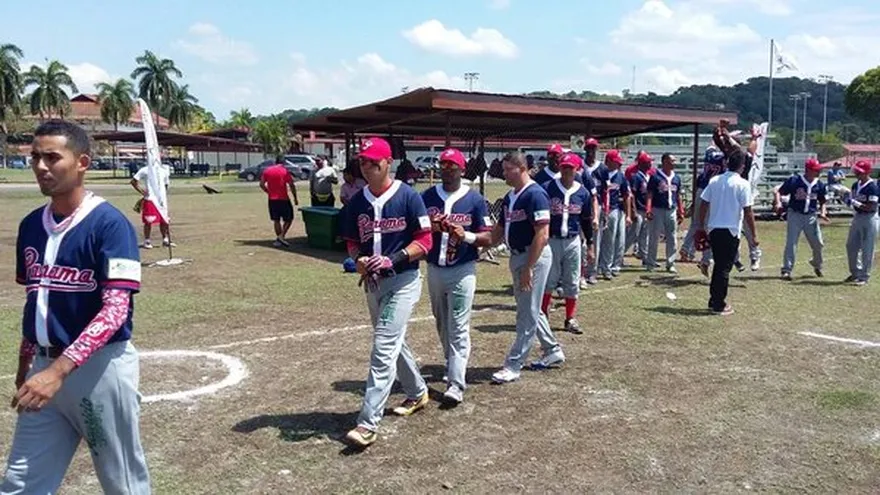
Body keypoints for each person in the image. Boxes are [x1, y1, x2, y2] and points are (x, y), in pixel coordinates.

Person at [4, 120, 151, 493]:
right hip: (43, 368)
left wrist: (58, 371)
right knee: (20, 482)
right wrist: (27, 365)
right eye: (35, 157)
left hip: (97, 371)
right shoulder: (30, 226)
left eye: (52, 157)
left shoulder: (109, 224)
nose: (41, 166)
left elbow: (115, 311)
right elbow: (35, 301)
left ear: (82, 162)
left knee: (122, 483)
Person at [339, 137, 433, 448]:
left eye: (373, 162)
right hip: (373, 283)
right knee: (393, 341)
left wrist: (394, 258)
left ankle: (368, 423)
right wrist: (359, 259)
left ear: (387, 162)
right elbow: (352, 241)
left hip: (403, 280)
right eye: (362, 163)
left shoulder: (408, 196)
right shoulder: (357, 201)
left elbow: (425, 241)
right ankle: (418, 392)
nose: (367, 168)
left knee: (382, 347)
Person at [421, 148, 493, 404]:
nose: (447, 169)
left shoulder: (474, 200)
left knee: (459, 327)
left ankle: (456, 384)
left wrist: (467, 236)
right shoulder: (428, 196)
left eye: (452, 165)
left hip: (462, 270)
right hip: (435, 269)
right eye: (443, 165)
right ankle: (451, 363)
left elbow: (489, 237)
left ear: (462, 169)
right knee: (442, 323)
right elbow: (416, 231)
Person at [489, 151, 565, 384]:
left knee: (526, 314)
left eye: (507, 169)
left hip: (534, 257)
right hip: (517, 257)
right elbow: (496, 235)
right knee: (530, 308)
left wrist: (529, 268)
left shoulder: (535, 194)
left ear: (521, 168)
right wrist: (470, 242)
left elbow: (542, 234)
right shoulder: (510, 197)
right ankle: (552, 350)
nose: (503, 174)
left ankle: (514, 364)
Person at [695, 147, 758, 316]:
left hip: (714, 228)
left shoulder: (714, 180)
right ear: (742, 166)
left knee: (719, 265)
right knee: (724, 268)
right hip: (730, 230)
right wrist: (753, 234)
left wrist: (701, 225)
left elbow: (703, 203)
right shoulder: (743, 184)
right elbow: (748, 211)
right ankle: (718, 303)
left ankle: (713, 299)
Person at [541, 153, 597, 334]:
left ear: (576, 169)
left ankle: (570, 318)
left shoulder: (583, 193)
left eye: (570, 168)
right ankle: (543, 316)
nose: (566, 170)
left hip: (573, 240)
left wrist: (590, 244)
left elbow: (586, 220)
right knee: (548, 279)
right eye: (563, 166)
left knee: (572, 280)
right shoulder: (548, 188)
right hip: (551, 240)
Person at [774, 158, 828, 280]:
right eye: (815, 170)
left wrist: (823, 212)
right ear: (808, 170)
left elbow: (822, 200)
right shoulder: (795, 180)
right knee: (791, 243)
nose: (818, 172)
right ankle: (786, 270)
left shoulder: (819, 184)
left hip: (811, 216)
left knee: (818, 243)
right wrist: (778, 203)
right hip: (795, 215)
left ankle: (817, 263)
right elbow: (779, 192)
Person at [681, 147, 725, 264]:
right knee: (708, 226)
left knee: (695, 223)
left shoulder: (709, 160)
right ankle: (706, 255)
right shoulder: (723, 159)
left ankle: (686, 248)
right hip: (711, 191)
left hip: (701, 190)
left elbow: (711, 151)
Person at [645, 153, 685, 273]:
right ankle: (651, 263)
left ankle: (670, 263)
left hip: (671, 209)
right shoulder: (656, 176)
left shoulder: (676, 177)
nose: (674, 163)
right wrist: (648, 209)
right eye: (671, 161)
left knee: (672, 237)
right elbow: (650, 194)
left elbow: (678, 195)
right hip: (658, 209)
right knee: (654, 237)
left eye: (674, 161)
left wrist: (681, 210)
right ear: (664, 162)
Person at [597, 149, 633, 279]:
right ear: (609, 161)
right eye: (616, 162)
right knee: (608, 240)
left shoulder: (620, 176)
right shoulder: (601, 173)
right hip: (606, 209)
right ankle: (605, 266)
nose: (619, 164)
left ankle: (616, 265)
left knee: (620, 240)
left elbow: (627, 195)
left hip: (618, 210)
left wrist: (628, 215)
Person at [845, 160, 879, 286]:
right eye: (857, 171)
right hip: (857, 217)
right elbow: (853, 200)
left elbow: (871, 207)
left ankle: (864, 276)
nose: (857, 174)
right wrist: (848, 201)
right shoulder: (855, 185)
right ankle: (855, 273)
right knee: (851, 246)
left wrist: (854, 202)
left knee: (867, 248)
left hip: (869, 218)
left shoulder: (873, 187)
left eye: (860, 172)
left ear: (867, 172)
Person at [580, 139, 606, 287]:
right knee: (581, 242)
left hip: (596, 207)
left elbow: (605, 191)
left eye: (593, 148)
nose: (591, 151)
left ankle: (592, 272)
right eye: (588, 148)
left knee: (595, 241)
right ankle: (581, 272)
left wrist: (605, 210)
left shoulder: (601, 168)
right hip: (580, 208)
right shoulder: (580, 167)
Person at [130, 158, 171, 249]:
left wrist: (162, 194)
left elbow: (166, 184)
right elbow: (133, 181)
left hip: (161, 200)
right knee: (149, 221)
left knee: (164, 219)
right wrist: (143, 192)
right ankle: (147, 241)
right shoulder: (145, 170)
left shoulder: (164, 171)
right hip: (150, 199)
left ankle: (165, 239)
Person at [260, 155, 299, 247]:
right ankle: (281, 236)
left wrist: (268, 192)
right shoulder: (284, 171)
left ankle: (279, 239)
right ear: (284, 163)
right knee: (289, 219)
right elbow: (291, 185)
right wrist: (295, 198)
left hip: (272, 199)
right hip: (283, 198)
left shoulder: (267, 170)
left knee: (276, 220)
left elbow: (261, 184)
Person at [626, 152, 653, 262]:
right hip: (638, 208)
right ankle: (618, 256)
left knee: (644, 235)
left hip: (645, 209)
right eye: (648, 162)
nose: (650, 164)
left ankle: (645, 257)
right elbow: (631, 195)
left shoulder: (649, 176)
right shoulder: (636, 177)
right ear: (642, 163)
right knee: (632, 235)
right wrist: (634, 211)